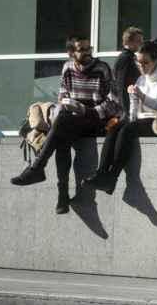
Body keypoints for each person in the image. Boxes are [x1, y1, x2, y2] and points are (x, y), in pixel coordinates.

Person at [10, 34, 120, 214]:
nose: (87, 53)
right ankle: (61, 194)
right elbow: (62, 95)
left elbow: (113, 101)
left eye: (88, 48)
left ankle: (40, 171)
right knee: (61, 129)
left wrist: (87, 111)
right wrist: (64, 105)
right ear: (70, 53)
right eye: (81, 49)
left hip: (97, 120)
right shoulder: (67, 67)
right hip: (73, 119)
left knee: (61, 124)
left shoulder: (102, 68)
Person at [85, 39, 157, 194]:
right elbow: (135, 111)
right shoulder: (141, 79)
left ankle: (112, 177)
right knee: (115, 126)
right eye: (138, 62)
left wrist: (143, 97)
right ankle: (101, 173)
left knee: (128, 128)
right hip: (141, 119)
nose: (141, 66)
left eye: (145, 62)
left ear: (156, 60)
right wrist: (133, 99)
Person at [114, 27, 144, 115]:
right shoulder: (125, 58)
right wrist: (125, 110)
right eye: (138, 41)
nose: (141, 43)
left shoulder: (131, 57)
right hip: (126, 106)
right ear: (128, 42)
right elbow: (121, 85)